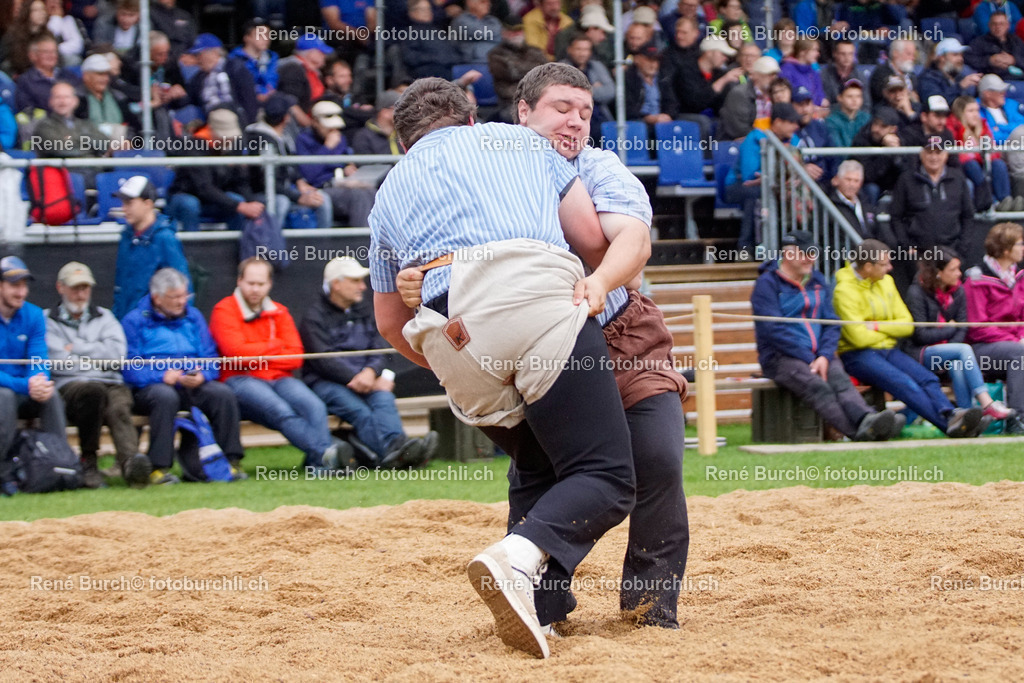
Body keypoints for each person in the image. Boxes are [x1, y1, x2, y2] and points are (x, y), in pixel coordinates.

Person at [396, 62, 691, 629]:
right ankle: (542, 606)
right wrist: (422, 279)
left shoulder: (599, 167)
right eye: (562, 107)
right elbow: (450, 259)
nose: (576, 122)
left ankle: (651, 611)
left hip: (620, 332)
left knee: (656, 458)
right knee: (545, 471)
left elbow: (632, 238)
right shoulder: (477, 171)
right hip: (535, 340)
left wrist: (602, 282)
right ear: (522, 113)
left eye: (585, 112)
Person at [752, 231, 903, 441]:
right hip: (781, 358)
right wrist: (810, 358)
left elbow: (831, 322)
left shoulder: (817, 279)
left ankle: (868, 419)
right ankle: (859, 433)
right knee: (818, 387)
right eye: (806, 254)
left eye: (813, 254)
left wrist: (823, 355)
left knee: (840, 381)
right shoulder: (767, 284)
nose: (811, 259)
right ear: (788, 254)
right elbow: (774, 330)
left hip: (819, 354)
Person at [833, 239, 985, 438]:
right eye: (884, 264)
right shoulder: (843, 291)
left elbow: (906, 324)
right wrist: (890, 329)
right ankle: (952, 425)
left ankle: (952, 416)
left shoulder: (886, 281)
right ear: (868, 267)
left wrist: (878, 326)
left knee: (927, 378)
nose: (890, 268)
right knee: (906, 384)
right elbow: (858, 337)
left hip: (888, 350)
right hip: (857, 355)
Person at [210, 258, 349, 472]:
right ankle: (326, 454)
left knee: (314, 406)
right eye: (250, 283)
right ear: (239, 281)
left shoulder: (279, 311)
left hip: (278, 378)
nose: (255, 289)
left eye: (261, 284)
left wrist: (256, 353)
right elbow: (236, 354)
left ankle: (319, 465)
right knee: (280, 409)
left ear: (270, 284)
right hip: (238, 380)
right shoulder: (224, 310)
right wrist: (274, 345)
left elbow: (295, 357)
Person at [300, 257, 438, 469]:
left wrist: (370, 372)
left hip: (366, 379)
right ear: (336, 284)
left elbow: (379, 348)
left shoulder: (364, 311)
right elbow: (322, 360)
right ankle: (399, 455)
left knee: (383, 398)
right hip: (326, 384)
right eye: (355, 281)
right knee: (360, 411)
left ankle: (399, 449)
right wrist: (355, 378)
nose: (362, 287)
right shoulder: (313, 317)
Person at [122, 268, 245, 485]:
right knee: (165, 396)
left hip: (191, 384)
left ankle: (230, 461)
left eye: (185, 295)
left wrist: (202, 374)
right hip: (151, 389)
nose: (182, 302)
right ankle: (158, 469)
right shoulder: (134, 321)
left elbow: (210, 356)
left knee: (222, 394)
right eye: (175, 297)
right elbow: (129, 367)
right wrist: (160, 376)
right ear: (157, 298)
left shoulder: (194, 316)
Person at [44, 261, 152, 488]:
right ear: (60, 288)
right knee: (92, 392)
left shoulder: (106, 317)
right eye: (75, 288)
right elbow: (57, 363)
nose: (81, 294)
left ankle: (131, 464)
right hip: (70, 386)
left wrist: (75, 348)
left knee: (119, 406)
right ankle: (89, 462)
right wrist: (96, 357)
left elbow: (116, 356)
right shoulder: (47, 320)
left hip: (110, 383)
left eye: (85, 288)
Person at [903, 247, 1018, 424]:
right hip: (921, 354)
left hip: (950, 352)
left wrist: (950, 340)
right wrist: (950, 330)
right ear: (938, 273)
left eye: (959, 268)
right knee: (963, 350)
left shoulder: (958, 291)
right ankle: (987, 404)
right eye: (953, 269)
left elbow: (963, 328)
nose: (959, 274)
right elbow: (920, 335)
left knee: (958, 362)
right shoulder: (916, 293)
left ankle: (966, 418)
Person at [0, 256, 67, 474]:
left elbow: (39, 357)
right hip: (9, 391)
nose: (21, 292)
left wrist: (39, 380)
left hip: (25, 388)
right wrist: (26, 385)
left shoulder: (34, 315)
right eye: (14, 286)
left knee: (51, 395)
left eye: (23, 286)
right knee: (5, 396)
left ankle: (60, 465)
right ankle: (4, 472)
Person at [963, 221, 1024, 433]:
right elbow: (977, 327)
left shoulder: (1019, 277)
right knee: (1020, 355)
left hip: (1014, 342)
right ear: (1005, 249)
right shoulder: (977, 279)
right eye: (1019, 244)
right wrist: (1015, 339)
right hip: (982, 349)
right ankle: (1018, 418)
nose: (1023, 248)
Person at [244, 93, 333, 230]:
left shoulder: (282, 137)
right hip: (260, 194)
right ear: (286, 117)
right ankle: (272, 247)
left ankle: (319, 248)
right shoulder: (259, 139)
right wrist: (298, 197)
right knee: (281, 202)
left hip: (285, 191)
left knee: (322, 199)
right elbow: (267, 182)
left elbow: (290, 167)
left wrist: (299, 181)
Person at [725, 102, 802, 256]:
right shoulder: (754, 138)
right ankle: (746, 249)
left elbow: (796, 169)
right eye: (791, 123)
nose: (795, 127)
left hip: (772, 185)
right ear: (778, 122)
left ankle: (792, 248)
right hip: (737, 185)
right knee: (757, 194)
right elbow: (749, 176)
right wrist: (775, 177)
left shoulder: (794, 141)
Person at [112, 176, 190, 320]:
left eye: (129, 203)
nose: (124, 208)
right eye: (123, 203)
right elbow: (120, 285)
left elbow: (183, 286)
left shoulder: (165, 238)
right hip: (127, 321)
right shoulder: (126, 236)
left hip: (154, 325)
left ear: (147, 204)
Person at [294, 100, 376, 227]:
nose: (333, 131)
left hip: (343, 184)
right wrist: (327, 147)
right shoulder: (303, 139)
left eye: (335, 128)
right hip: (319, 188)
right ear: (315, 122)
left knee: (371, 192)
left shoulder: (340, 138)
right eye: (329, 128)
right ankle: (362, 243)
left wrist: (348, 167)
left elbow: (344, 160)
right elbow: (308, 175)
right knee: (358, 196)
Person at [947, 93, 1016, 211]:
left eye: (977, 110)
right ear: (961, 112)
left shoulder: (983, 126)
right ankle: (989, 201)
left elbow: (993, 151)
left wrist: (987, 156)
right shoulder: (953, 126)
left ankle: (1004, 201)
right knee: (972, 165)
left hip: (982, 163)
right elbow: (957, 154)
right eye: (971, 111)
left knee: (998, 164)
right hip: (963, 166)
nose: (976, 115)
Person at [185, 33, 258, 127]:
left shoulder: (235, 68)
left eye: (199, 55)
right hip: (211, 127)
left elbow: (249, 101)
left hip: (236, 125)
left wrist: (247, 127)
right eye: (195, 56)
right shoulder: (199, 78)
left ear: (214, 52)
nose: (198, 60)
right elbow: (187, 98)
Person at [488, 17, 548, 123]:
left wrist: (517, 66)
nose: (516, 34)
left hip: (538, 98)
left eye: (519, 31)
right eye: (512, 31)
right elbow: (511, 73)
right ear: (504, 33)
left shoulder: (535, 51)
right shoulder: (495, 54)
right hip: (510, 102)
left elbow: (547, 72)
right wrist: (535, 70)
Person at [829, 159, 895, 246]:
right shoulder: (831, 204)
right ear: (838, 179)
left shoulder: (865, 202)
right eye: (848, 179)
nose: (852, 184)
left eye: (856, 181)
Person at [719, 54, 779, 140]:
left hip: (770, 142)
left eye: (775, 75)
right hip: (743, 142)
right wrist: (763, 139)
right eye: (769, 74)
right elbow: (739, 129)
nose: (773, 78)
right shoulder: (740, 94)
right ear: (756, 75)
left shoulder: (776, 95)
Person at [919, 38, 983, 107]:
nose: (960, 59)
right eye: (955, 55)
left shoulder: (959, 77)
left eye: (961, 55)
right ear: (942, 57)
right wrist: (960, 87)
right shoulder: (928, 78)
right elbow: (937, 105)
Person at [967, 10, 1024, 80]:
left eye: (1001, 24)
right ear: (989, 25)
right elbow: (969, 59)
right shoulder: (979, 42)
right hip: (991, 78)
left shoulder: (1016, 41)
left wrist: (1014, 60)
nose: (998, 27)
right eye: (994, 24)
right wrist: (989, 60)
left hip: (1018, 77)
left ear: (1007, 25)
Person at [825, 78, 870, 147]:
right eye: (849, 96)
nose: (854, 100)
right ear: (840, 98)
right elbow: (837, 148)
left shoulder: (867, 119)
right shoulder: (831, 121)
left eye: (858, 96)